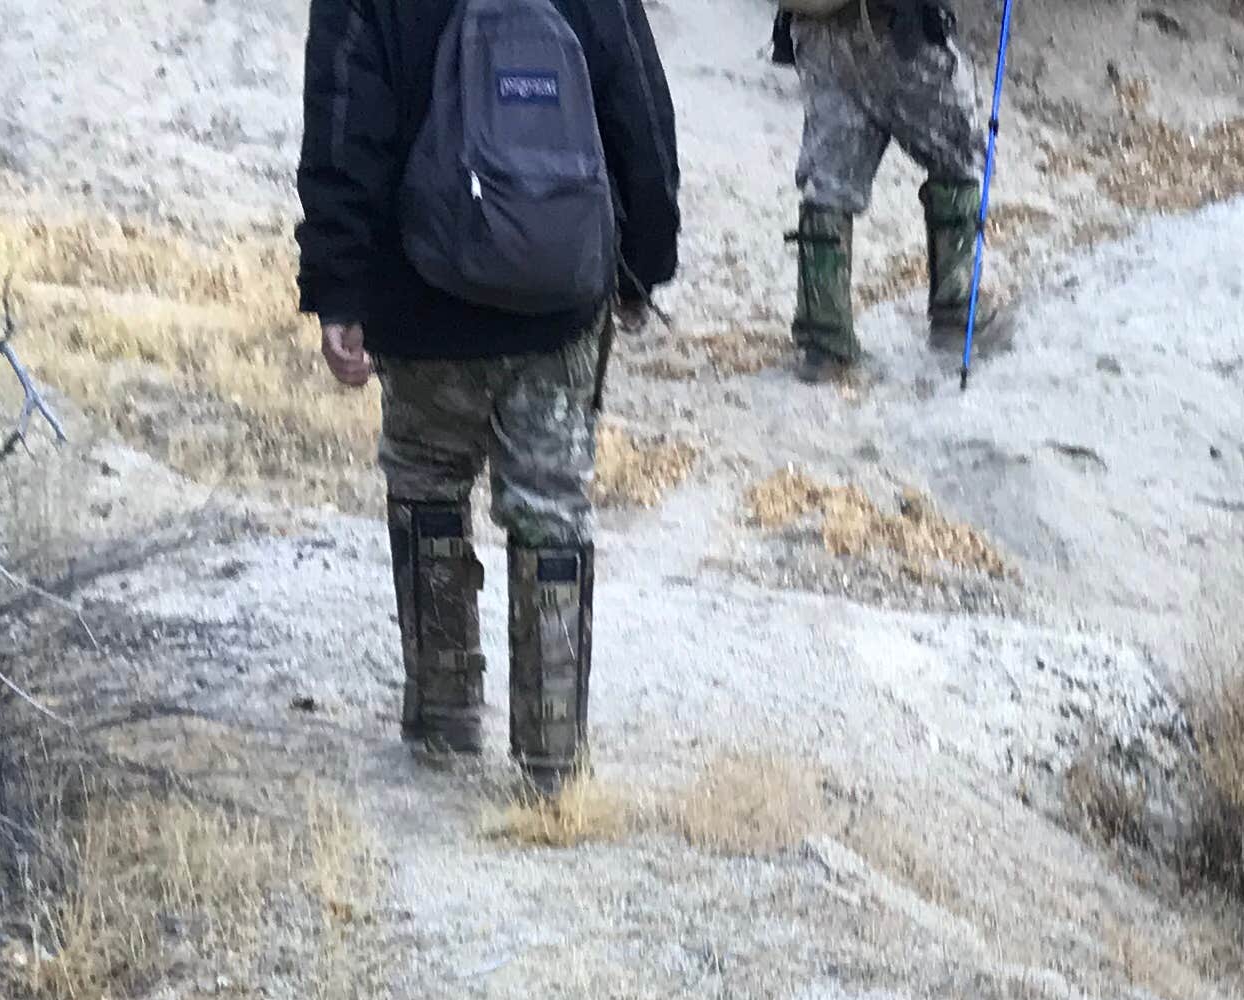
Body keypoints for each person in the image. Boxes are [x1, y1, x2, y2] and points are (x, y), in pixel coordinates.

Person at [298, 0, 682, 786]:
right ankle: (551, 763)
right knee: (551, 507)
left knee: (426, 484)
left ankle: (442, 724)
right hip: (557, 303)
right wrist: (644, 266)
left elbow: (342, 132)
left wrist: (339, 292)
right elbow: (638, 106)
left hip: (420, 297)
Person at [772, 0, 993, 379]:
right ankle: (957, 310)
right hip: (894, 29)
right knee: (960, 149)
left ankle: (824, 341)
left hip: (814, 31)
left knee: (829, 182)